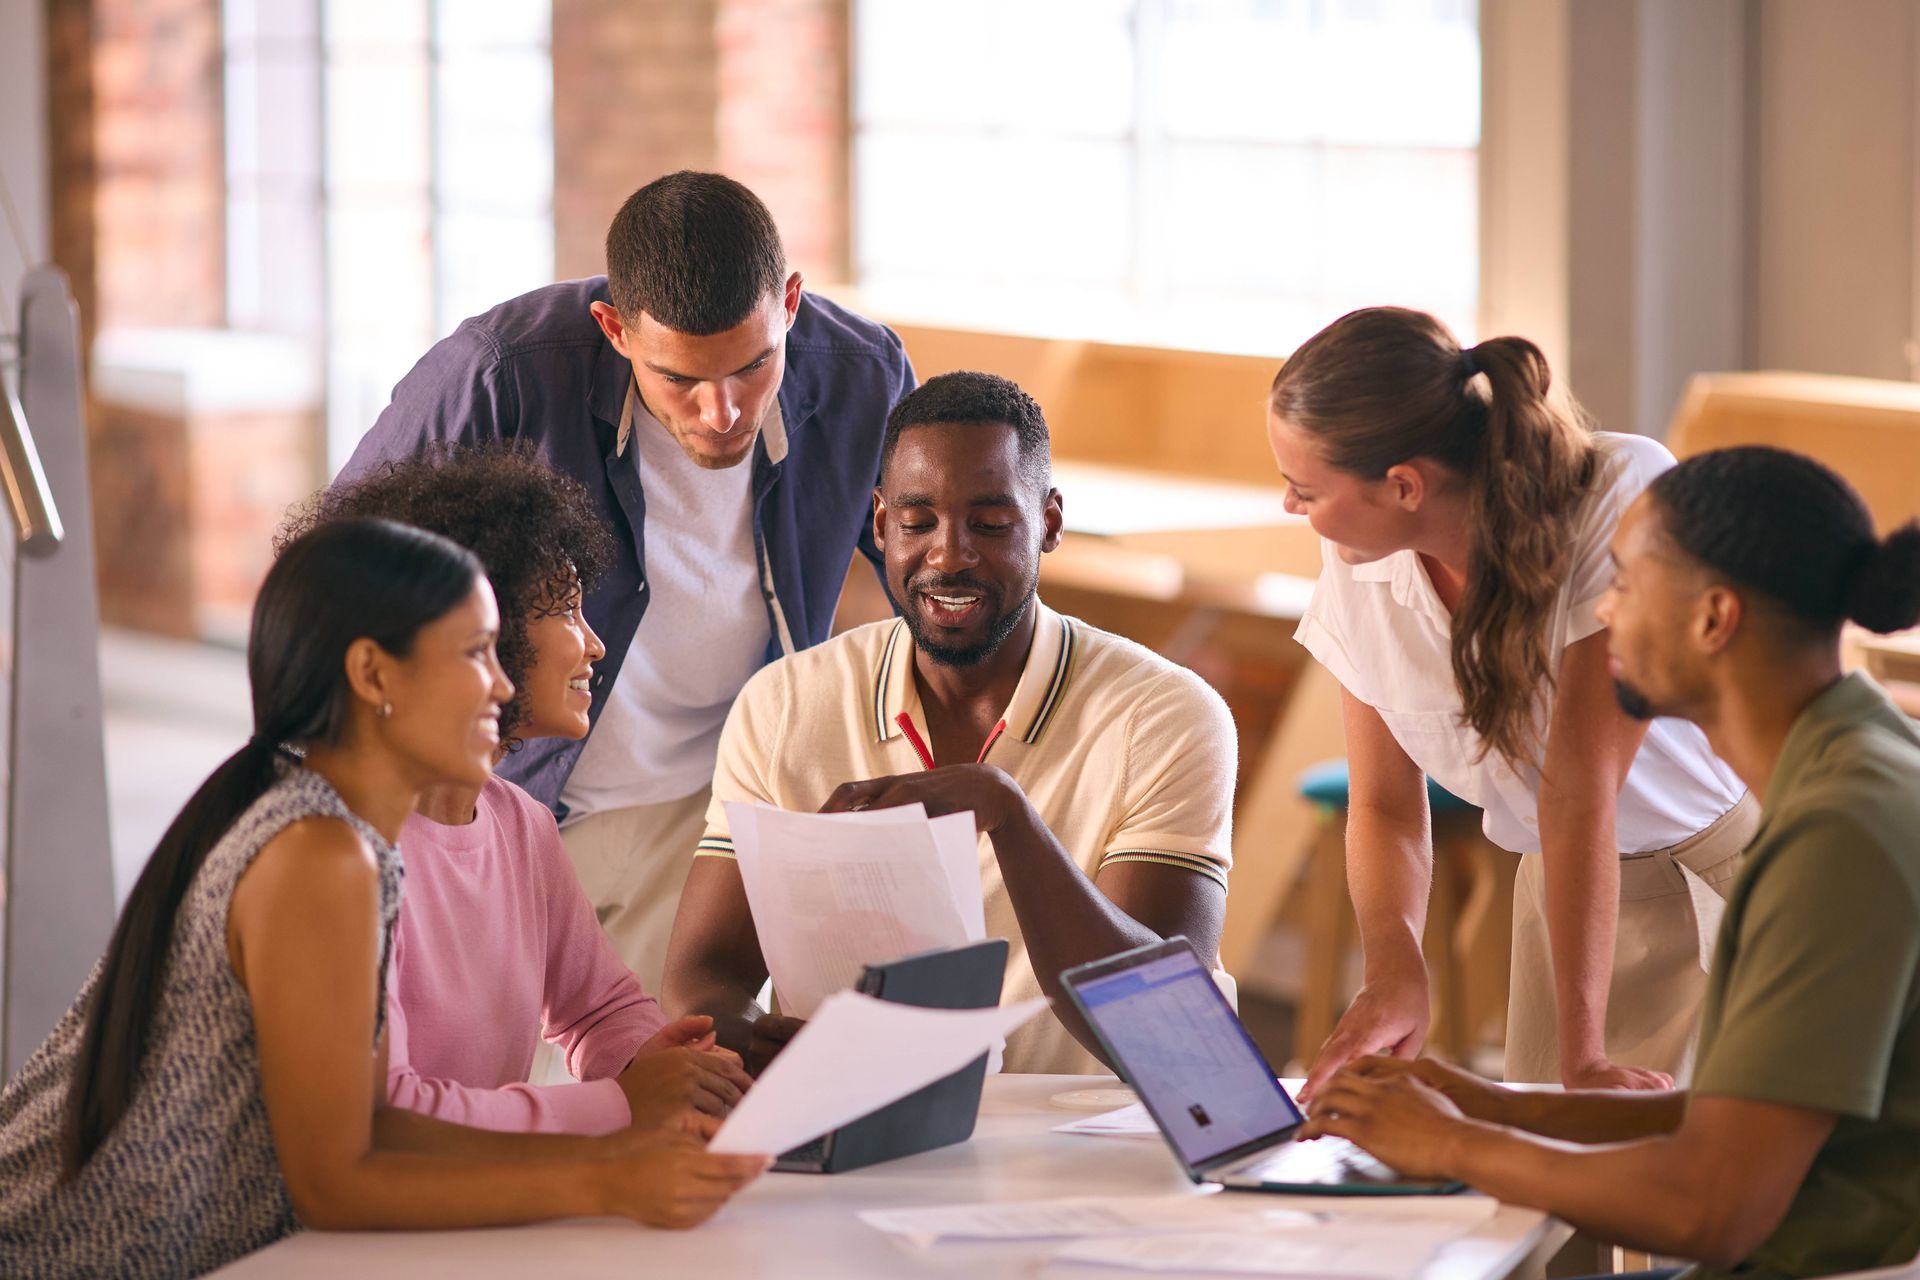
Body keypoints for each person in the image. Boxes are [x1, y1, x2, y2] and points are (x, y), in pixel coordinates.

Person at [0, 520, 766, 1279]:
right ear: (373, 675)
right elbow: (337, 1181)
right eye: (474, 655)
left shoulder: (343, 837)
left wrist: (616, 1145)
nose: (501, 683)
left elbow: (381, 1128)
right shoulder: (319, 853)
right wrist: (608, 1172)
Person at [1303, 446, 1920, 1280]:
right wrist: (1492, 1104)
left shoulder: (1838, 832)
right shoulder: (1855, 766)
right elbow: (1749, 1122)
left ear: (1713, 618)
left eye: (1626, 581)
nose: (1603, 607)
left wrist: (1452, 1141)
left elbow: (1712, 1204)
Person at [339, 171, 916, 992]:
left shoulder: (863, 373)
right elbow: (339, 576)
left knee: (662, 1078)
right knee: (493, 1086)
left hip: (712, 811)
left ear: (790, 303)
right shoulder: (500, 373)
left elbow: (934, 570)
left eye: (752, 367)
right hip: (508, 799)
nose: (722, 412)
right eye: (679, 379)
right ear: (612, 327)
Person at [662, 371, 1239, 1076]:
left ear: (1049, 522)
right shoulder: (784, 705)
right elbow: (703, 977)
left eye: (991, 525)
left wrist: (1009, 816)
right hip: (873, 1131)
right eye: (917, 523)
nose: (949, 555)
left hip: (1085, 1140)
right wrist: (758, 1042)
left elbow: (1166, 1039)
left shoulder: (1165, 715)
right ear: (879, 524)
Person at [1269, 307, 1753, 1093]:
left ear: (1403, 485)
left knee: (1696, 1184)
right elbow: (1387, 806)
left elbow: (1580, 793)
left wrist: (1584, 1059)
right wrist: (1395, 972)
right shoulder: (1359, 559)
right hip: (1561, 891)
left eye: (1303, 488)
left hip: (1724, 878)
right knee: (1548, 1203)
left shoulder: (1618, 496)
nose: (1291, 507)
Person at [286, 447, 753, 1134]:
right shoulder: (334, 848)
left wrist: (678, 1068)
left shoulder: (519, 822)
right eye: (563, 611)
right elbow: (385, 1117)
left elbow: (600, 1009)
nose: (594, 645)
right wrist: (621, 1106)